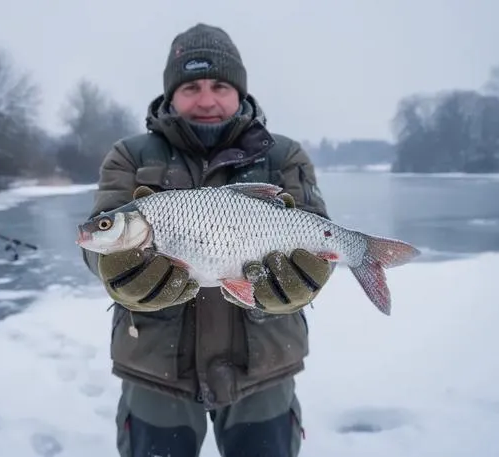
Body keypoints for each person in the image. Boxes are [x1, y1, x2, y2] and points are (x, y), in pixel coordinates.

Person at [81, 23, 333, 457]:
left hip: (265, 365)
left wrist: (299, 284)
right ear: (170, 94)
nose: (206, 99)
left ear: (240, 92)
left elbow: (317, 240)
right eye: (191, 86)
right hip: (155, 368)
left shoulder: (283, 155)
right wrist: (121, 275)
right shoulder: (131, 154)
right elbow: (95, 246)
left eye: (219, 85)